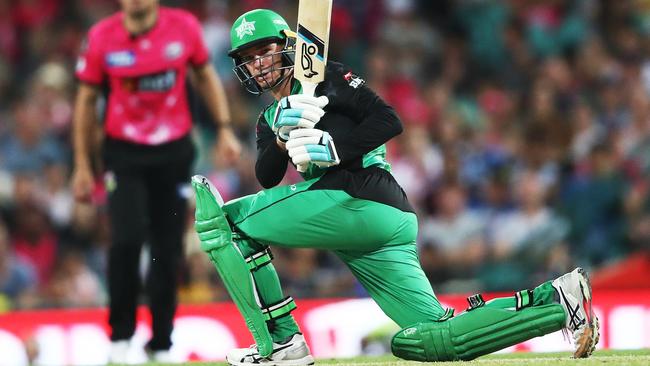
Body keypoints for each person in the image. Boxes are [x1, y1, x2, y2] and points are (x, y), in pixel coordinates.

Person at [191, 9, 599, 365]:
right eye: (248, 58)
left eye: (264, 51)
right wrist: (282, 136)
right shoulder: (268, 118)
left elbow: (389, 120)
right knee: (434, 338)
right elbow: (267, 175)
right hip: (378, 224)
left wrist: (334, 149)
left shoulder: (328, 77)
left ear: (289, 46)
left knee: (222, 223)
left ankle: (279, 344)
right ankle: (557, 302)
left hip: (360, 196)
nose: (258, 63)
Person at [71, 0, 241, 363]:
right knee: (126, 241)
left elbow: (205, 75)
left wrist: (224, 129)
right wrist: (83, 165)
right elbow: (86, 102)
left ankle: (162, 344)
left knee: (168, 249)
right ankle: (120, 337)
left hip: (173, 154)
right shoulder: (102, 37)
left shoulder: (183, 28)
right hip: (124, 154)